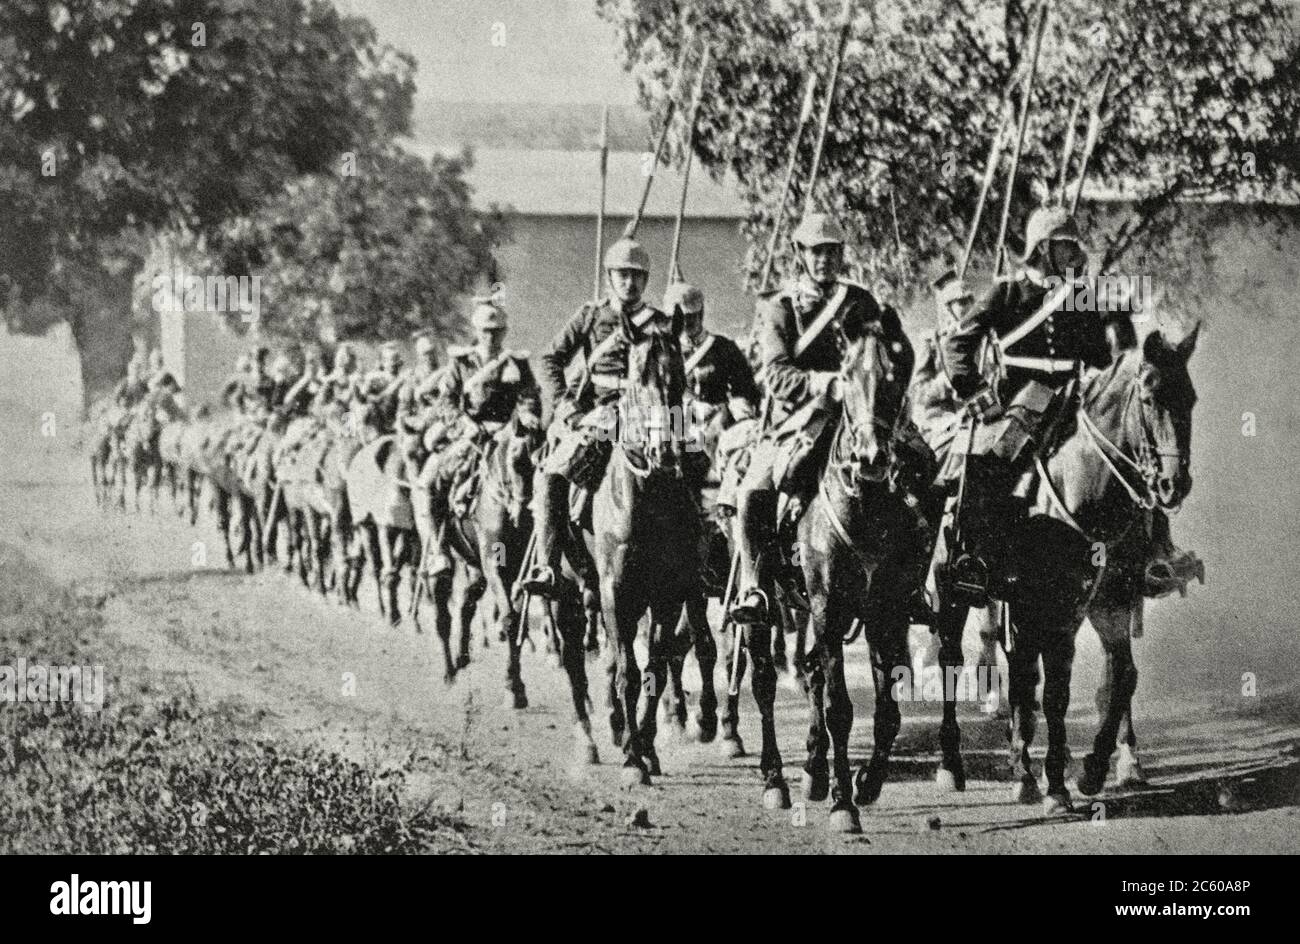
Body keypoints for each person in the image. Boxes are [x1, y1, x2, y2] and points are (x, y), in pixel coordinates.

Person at [729, 212, 913, 625]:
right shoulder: (779, 307)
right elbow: (775, 373)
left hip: (862, 415)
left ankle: (912, 582)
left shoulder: (861, 302)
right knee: (754, 492)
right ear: (800, 255)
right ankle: (755, 586)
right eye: (817, 252)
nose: (825, 260)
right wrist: (825, 385)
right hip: (799, 418)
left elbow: (884, 355)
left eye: (832, 252)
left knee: (922, 467)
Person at [939, 205, 1109, 603]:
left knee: (1125, 448)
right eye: (1066, 247)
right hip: (1022, 401)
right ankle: (974, 561)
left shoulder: (1078, 295)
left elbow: (1100, 355)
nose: (1074, 255)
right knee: (988, 465)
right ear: (1043, 249)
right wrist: (977, 394)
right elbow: (957, 344)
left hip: (1073, 397)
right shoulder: (1007, 292)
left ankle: (1154, 550)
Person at [521, 237, 674, 597]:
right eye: (622, 275)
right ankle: (547, 564)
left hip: (648, 418)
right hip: (598, 419)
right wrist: (565, 405)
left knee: (698, 468)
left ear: (646, 280)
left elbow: (672, 372)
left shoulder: (661, 323)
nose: (629, 282)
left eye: (637, 275)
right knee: (551, 473)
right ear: (610, 277)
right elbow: (549, 360)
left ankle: (701, 562)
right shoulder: (591, 316)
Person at [415, 299, 541, 577]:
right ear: (476, 329)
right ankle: (439, 552)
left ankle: (545, 558)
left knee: (542, 478)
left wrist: (526, 415)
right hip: (471, 436)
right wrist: (463, 424)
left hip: (509, 434)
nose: (491, 336)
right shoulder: (461, 362)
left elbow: (529, 396)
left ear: (504, 332)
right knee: (430, 481)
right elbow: (446, 402)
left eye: (496, 331)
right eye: (486, 330)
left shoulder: (516, 363)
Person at [667, 281, 760, 468]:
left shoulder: (723, 348)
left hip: (716, 422)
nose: (686, 323)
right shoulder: (664, 351)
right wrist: (690, 406)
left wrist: (738, 407)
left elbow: (744, 388)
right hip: (676, 421)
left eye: (691, 316)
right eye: (680, 318)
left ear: (700, 314)